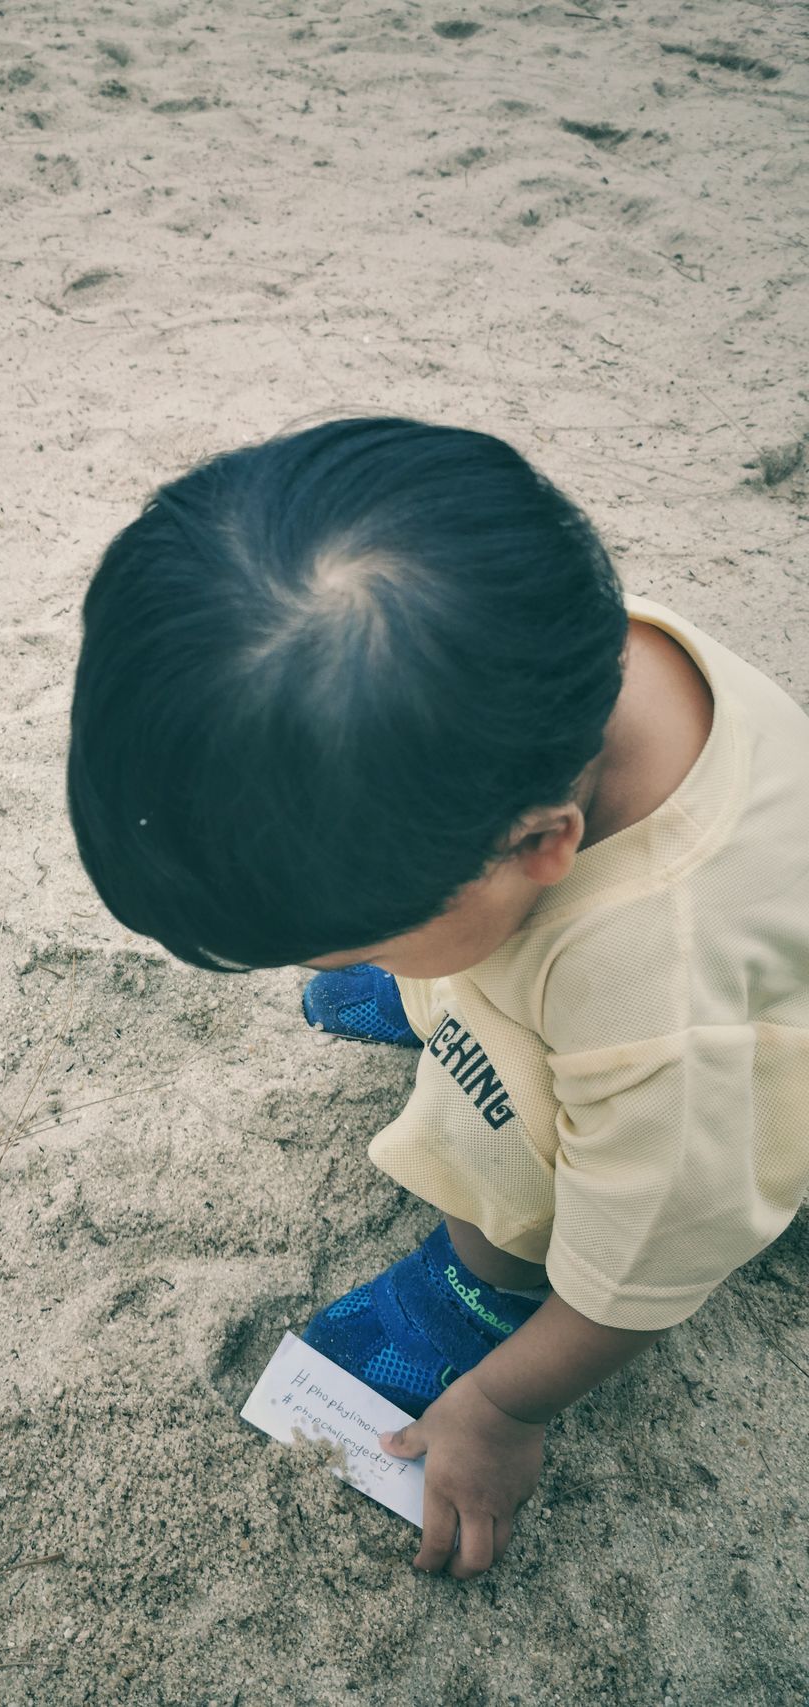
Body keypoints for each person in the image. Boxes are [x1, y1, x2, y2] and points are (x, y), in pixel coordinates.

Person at [65, 415, 809, 1579]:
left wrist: (506, 1408)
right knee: (453, 964)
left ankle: (479, 1281)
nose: (320, 965)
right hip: (534, 933)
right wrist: (417, 942)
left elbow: (654, 1245)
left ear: (538, 847)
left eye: (349, 939)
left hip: (697, 1056)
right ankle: (441, 991)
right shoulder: (536, 663)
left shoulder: (654, 999)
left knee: (508, 1131)